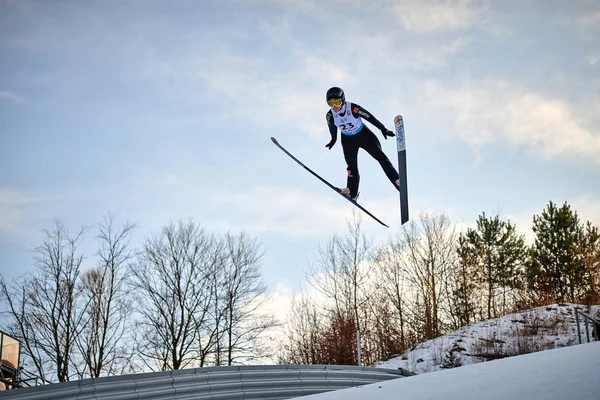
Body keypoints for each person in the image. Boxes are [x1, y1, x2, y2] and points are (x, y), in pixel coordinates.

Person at [324, 86, 400, 200]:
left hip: (364, 135)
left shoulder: (353, 108)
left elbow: (370, 117)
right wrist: (333, 139)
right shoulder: (330, 115)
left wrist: (383, 129)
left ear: (342, 100)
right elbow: (332, 128)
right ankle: (352, 192)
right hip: (347, 140)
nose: (335, 107)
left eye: (337, 102)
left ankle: (397, 180)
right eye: (331, 104)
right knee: (351, 167)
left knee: (381, 157)